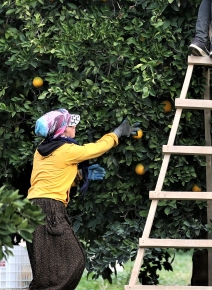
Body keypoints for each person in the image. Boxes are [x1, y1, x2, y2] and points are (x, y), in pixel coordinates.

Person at [26, 109, 138, 290]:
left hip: (32, 207)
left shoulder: (41, 150)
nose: (74, 128)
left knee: (45, 267)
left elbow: (52, 174)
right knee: (75, 259)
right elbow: (96, 149)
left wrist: (78, 176)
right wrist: (117, 133)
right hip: (49, 207)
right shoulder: (67, 149)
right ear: (61, 131)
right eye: (71, 125)